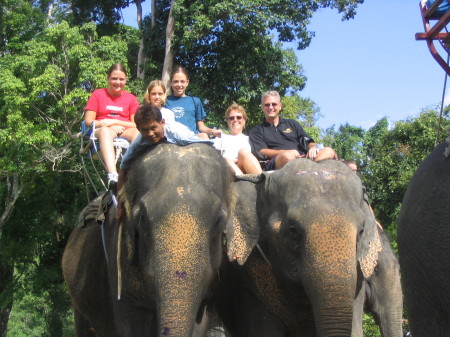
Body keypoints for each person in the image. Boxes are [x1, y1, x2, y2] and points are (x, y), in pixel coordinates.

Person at [249, 90, 337, 170]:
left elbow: (307, 140)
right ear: (262, 108)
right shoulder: (256, 130)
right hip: (278, 161)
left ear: (280, 106)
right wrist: (286, 152)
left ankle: (309, 169)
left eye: (274, 104)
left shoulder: (292, 123)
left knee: (328, 151)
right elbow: (261, 151)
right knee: (287, 156)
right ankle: (308, 169)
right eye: (267, 105)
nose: (271, 107)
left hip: (303, 158)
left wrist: (313, 147)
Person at [84, 63, 139, 188]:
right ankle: (113, 175)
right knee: (105, 132)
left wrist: (114, 122)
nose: (117, 82)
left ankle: (135, 169)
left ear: (125, 80)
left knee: (137, 133)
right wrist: (107, 126)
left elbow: (135, 123)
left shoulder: (131, 99)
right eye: (114, 78)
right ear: (108, 78)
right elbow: (88, 121)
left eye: (121, 79)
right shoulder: (98, 94)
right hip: (102, 129)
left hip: (123, 128)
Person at [165, 65, 222, 138]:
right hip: (171, 138)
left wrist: (213, 132)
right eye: (176, 81)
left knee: (204, 136)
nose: (179, 85)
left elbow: (201, 127)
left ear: (187, 82)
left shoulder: (195, 101)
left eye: (182, 81)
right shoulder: (165, 101)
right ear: (170, 82)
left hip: (191, 138)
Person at [143, 79, 209, 141]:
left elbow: (173, 131)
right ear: (149, 95)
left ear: (164, 95)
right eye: (153, 94)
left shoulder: (168, 113)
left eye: (160, 94)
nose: (157, 97)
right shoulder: (143, 112)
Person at [213, 103, 262, 176]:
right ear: (227, 121)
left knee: (243, 152)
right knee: (226, 159)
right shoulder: (220, 138)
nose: (235, 120)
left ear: (244, 120)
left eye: (239, 117)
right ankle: (242, 180)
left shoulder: (250, 139)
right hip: (226, 171)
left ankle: (262, 180)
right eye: (231, 118)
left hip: (246, 168)